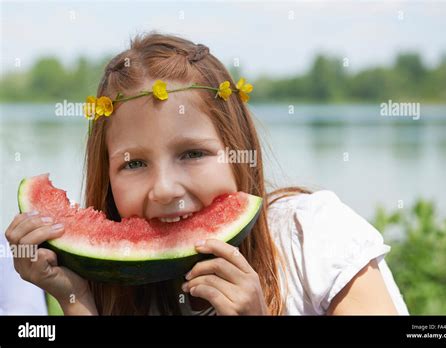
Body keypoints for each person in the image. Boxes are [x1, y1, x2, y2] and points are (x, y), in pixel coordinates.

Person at [5, 33, 409, 315]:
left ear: (238, 151)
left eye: (193, 153)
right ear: (106, 177)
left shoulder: (312, 236)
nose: (164, 189)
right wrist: (75, 298)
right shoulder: (115, 284)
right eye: (133, 163)